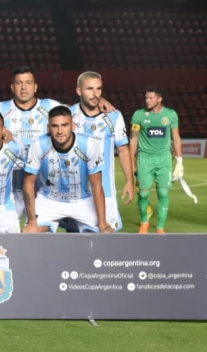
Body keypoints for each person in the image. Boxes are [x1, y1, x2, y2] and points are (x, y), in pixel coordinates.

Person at [23, 106, 113, 233]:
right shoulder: (38, 145)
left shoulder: (89, 145)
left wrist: (103, 224)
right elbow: (28, 184)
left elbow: (97, 186)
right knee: (30, 233)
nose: (60, 131)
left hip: (82, 200)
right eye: (55, 126)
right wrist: (32, 222)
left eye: (64, 125)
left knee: (102, 236)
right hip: (49, 200)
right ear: (48, 128)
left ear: (73, 126)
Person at [0, 66, 62, 217]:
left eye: (28, 82)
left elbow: (78, 112)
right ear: (12, 87)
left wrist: (100, 101)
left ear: (35, 86)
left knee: (40, 235)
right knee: (8, 235)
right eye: (19, 83)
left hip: (43, 189)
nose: (24, 87)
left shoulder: (51, 107)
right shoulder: (0, 110)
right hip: (8, 189)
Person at [71, 71, 134, 232]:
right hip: (75, 192)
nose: (95, 94)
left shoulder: (114, 116)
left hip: (106, 190)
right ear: (79, 91)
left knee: (106, 238)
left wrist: (129, 180)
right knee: (73, 237)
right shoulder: (69, 116)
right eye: (90, 89)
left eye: (99, 89)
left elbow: (123, 149)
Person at [130, 87, 182, 234]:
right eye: (146, 98)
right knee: (143, 194)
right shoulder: (139, 115)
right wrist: (131, 160)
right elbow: (134, 138)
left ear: (159, 99)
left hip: (164, 159)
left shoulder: (170, 115)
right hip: (145, 159)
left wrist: (180, 162)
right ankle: (144, 223)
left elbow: (176, 138)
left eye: (151, 98)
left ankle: (160, 227)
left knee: (163, 193)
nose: (147, 100)